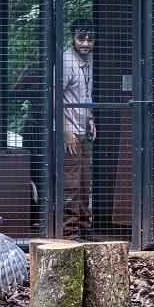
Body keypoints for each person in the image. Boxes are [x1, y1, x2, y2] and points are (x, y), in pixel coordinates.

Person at [61, 19, 97, 240]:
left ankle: (84, 227)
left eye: (89, 38)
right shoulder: (67, 61)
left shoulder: (89, 59)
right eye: (80, 38)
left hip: (82, 129)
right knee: (71, 184)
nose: (85, 43)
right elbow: (55, 96)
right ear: (73, 37)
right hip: (69, 132)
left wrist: (90, 116)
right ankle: (69, 231)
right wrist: (66, 131)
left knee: (84, 182)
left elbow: (84, 93)